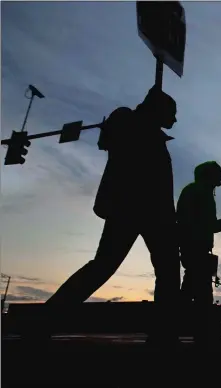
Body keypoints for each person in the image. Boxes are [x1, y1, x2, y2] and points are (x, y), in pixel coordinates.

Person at [45, 86, 181, 346]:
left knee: (167, 271)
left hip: (157, 215)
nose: (174, 120)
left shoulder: (149, 132)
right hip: (130, 208)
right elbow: (111, 138)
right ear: (157, 109)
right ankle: (44, 320)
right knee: (104, 267)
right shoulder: (128, 121)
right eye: (171, 113)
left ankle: (164, 332)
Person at [177, 161, 221, 347]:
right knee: (203, 293)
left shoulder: (197, 191)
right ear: (208, 175)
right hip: (195, 248)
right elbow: (207, 225)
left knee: (189, 292)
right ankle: (206, 335)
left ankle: (169, 329)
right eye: (218, 174)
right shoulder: (199, 193)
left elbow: (206, 225)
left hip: (193, 247)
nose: (220, 178)